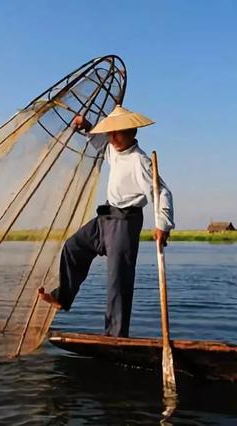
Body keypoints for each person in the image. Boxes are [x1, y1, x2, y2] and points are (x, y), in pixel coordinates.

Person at [38, 105, 174, 337]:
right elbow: (100, 142)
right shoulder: (113, 148)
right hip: (106, 218)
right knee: (74, 246)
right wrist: (86, 126)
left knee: (117, 281)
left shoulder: (140, 161)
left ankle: (116, 337)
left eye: (117, 133)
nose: (112, 137)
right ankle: (63, 297)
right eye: (110, 133)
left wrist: (162, 225)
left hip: (125, 223)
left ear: (132, 133)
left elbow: (161, 192)